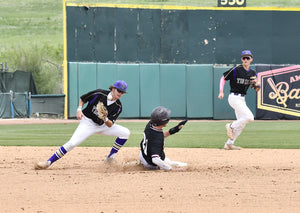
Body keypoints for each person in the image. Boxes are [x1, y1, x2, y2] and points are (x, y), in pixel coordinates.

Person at [34, 80, 130, 169]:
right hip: (88, 123)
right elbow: (83, 98)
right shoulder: (99, 94)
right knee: (72, 143)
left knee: (125, 133)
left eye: (122, 92)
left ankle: (110, 158)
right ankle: (48, 162)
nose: (120, 93)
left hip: (102, 126)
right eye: (119, 90)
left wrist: (105, 118)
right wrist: (79, 109)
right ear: (113, 88)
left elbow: (110, 124)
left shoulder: (118, 106)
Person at [218, 50, 261, 150]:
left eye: (248, 58)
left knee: (242, 124)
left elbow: (256, 89)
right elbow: (223, 78)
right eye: (244, 58)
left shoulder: (252, 73)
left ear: (251, 59)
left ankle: (229, 144)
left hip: (242, 99)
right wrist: (221, 91)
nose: (246, 59)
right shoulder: (236, 69)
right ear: (241, 59)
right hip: (234, 97)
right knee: (250, 117)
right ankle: (230, 126)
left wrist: (257, 86)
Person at [139, 106, 188, 171]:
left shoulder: (150, 125)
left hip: (143, 155)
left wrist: (175, 129)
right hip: (150, 163)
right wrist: (171, 169)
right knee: (171, 163)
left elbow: (159, 136)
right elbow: (155, 160)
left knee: (170, 161)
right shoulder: (157, 140)